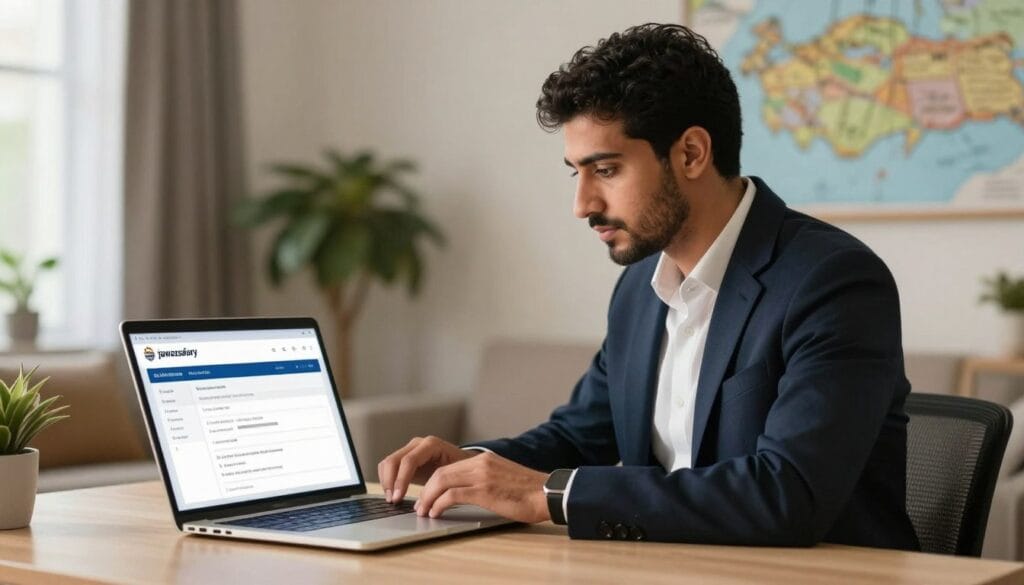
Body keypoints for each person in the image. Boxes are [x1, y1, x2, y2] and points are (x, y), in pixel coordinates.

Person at [377, 23, 920, 550]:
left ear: (690, 153)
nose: (582, 205)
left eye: (606, 170)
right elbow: (580, 435)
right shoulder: (640, 287)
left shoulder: (832, 281)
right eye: (577, 173)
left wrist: (550, 496)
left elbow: (788, 493)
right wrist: (465, 465)